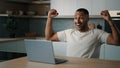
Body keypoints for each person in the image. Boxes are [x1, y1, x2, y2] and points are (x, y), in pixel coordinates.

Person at [45, 8, 120, 58]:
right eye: (75, 18)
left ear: (87, 19)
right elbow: (49, 37)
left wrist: (110, 21)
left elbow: (117, 42)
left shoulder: (98, 33)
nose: (77, 21)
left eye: (81, 18)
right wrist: (49, 18)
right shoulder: (69, 33)